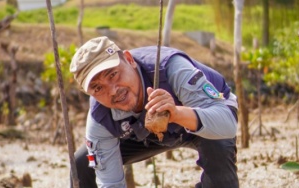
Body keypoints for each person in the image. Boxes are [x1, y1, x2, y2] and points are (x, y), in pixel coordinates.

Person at [69, 36, 239, 188]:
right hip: (142, 134)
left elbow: (227, 125)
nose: (112, 91)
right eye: (98, 88)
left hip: (198, 116)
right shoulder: (100, 118)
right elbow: (110, 184)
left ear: (129, 60)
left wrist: (176, 113)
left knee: (217, 144)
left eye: (113, 75)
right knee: (82, 163)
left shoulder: (172, 68)